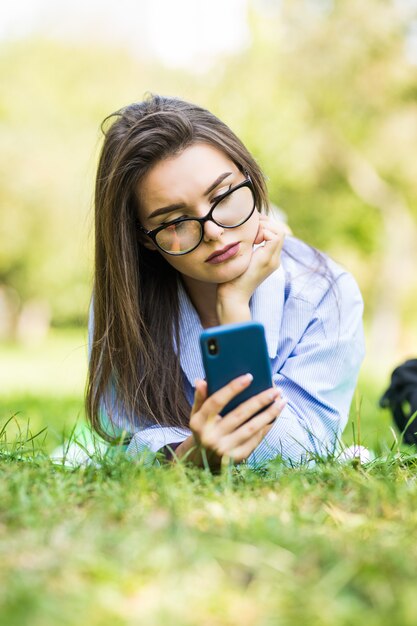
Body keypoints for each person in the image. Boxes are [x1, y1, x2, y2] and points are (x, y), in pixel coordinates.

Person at [85, 94, 365, 471]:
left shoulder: (325, 292)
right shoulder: (126, 301)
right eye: (174, 221)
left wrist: (234, 309)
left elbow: (301, 448)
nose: (215, 232)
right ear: (144, 238)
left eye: (223, 196)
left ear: (251, 176)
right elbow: (124, 437)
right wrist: (187, 455)